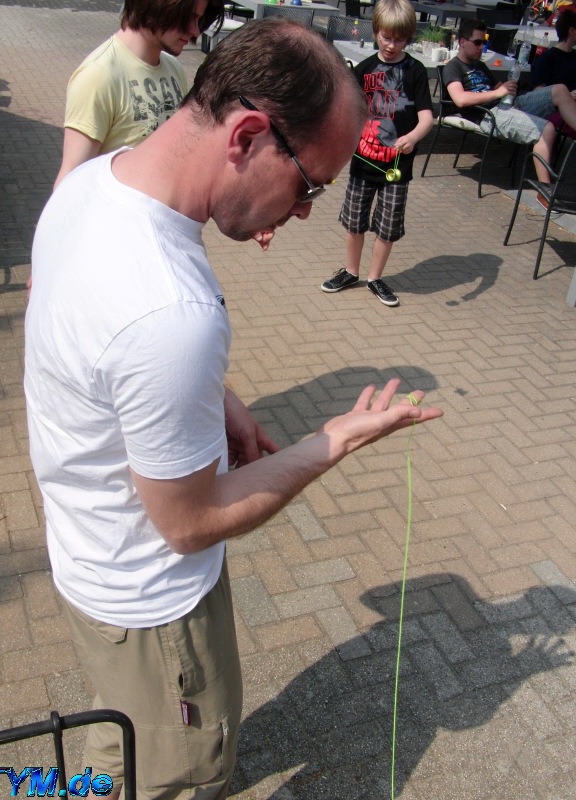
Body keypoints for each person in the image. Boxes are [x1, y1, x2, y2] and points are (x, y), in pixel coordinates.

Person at [24, 18, 443, 800]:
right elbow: (188, 522)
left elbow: (101, 339)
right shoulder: (171, 311)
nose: (309, 212)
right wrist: (335, 441)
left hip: (87, 560)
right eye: (311, 185)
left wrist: (215, 397)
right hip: (152, 607)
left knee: (122, 741)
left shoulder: (91, 184)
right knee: (180, 773)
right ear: (249, 134)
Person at [320, 0, 433, 307]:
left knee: (387, 227)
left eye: (398, 39)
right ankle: (351, 271)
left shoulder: (416, 71)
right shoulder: (366, 68)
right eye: (386, 37)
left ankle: (374, 277)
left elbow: (427, 118)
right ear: (376, 32)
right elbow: (349, 112)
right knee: (354, 221)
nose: (391, 45)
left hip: (396, 167)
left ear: (408, 37)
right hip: (363, 162)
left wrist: (412, 137)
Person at [53, 0, 224, 189]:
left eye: (199, 19)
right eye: (188, 17)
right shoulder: (98, 75)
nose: (195, 31)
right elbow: (70, 182)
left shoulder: (173, 68)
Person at [442, 17, 576, 202]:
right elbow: (460, 99)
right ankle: (545, 193)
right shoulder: (453, 67)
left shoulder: (479, 65)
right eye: (478, 42)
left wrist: (507, 86)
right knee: (547, 129)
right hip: (489, 115)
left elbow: (500, 88)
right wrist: (497, 93)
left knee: (560, 89)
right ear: (462, 42)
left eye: (485, 42)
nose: (482, 47)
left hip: (507, 104)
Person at [532, 8, 576, 136]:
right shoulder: (548, 58)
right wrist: (566, 96)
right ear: (572, 31)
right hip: (556, 111)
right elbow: (538, 92)